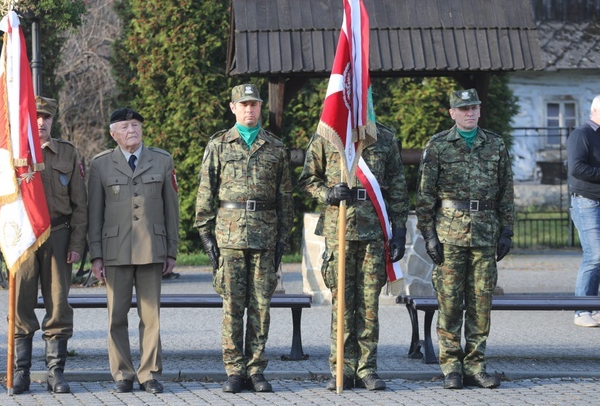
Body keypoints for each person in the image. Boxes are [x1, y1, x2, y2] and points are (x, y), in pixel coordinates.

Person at [195, 84, 294, 394]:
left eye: (254, 104)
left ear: (261, 107)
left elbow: (285, 198)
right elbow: (205, 194)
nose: (249, 109)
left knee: (262, 306)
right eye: (244, 104)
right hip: (229, 236)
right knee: (233, 307)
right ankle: (235, 370)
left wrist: (283, 239)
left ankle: (256, 369)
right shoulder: (219, 145)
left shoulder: (276, 147)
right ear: (233, 107)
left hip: (264, 237)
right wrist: (206, 236)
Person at [298, 124, 409, 391]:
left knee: (369, 304)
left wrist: (400, 230)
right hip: (340, 231)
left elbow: (396, 185)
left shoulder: (385, 136)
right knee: (342, 304)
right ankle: (342, 370)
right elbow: (307, 180)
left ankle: (367, 369)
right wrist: (328, 193)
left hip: (373, 232)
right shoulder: (328, 133)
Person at [416, 88, 514, 390]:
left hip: (485, 234)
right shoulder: (438, 146)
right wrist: (429, 235)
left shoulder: (495, 145)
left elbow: (506, 191)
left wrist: (507, 230)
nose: (470, 112)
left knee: (480, 304)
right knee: (448, 303)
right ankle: (451, 368)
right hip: (449, 236)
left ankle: (476, 365)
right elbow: (425, 196)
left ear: (480, 111)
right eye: (463, 108)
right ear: (452, 113)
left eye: (474, 107)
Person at [87, 107, 179, 394]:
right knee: (116, 316)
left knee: (150, 317)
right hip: (115, 250)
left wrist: (171, 251)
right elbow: (94, 214)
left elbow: (171, 209)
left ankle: (149, 373)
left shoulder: (162, 160)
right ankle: (123, 374)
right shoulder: (100, 165)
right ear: (113, 134)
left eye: (136, 125)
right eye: (125, 126)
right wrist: (96, 255)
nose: (132, 131)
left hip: (152, 248)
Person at [11, 96, 88, 394]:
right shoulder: (14, 153)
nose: (40, 122)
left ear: (53, 121)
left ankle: (55, 372)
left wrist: (77, 245)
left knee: (58, 305)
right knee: (21, 304)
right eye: (35, 116)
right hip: (24, 239)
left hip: (58, 236)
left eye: (46, 118)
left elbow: (80, 204)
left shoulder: (67, 153)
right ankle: (21, 372)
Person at [567, 94, 600, 327]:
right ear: (596, 110)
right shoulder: (581, 134)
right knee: (595, 255)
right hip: (586, 202)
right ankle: (581, 310)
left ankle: (596, 309)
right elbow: (577, 168)